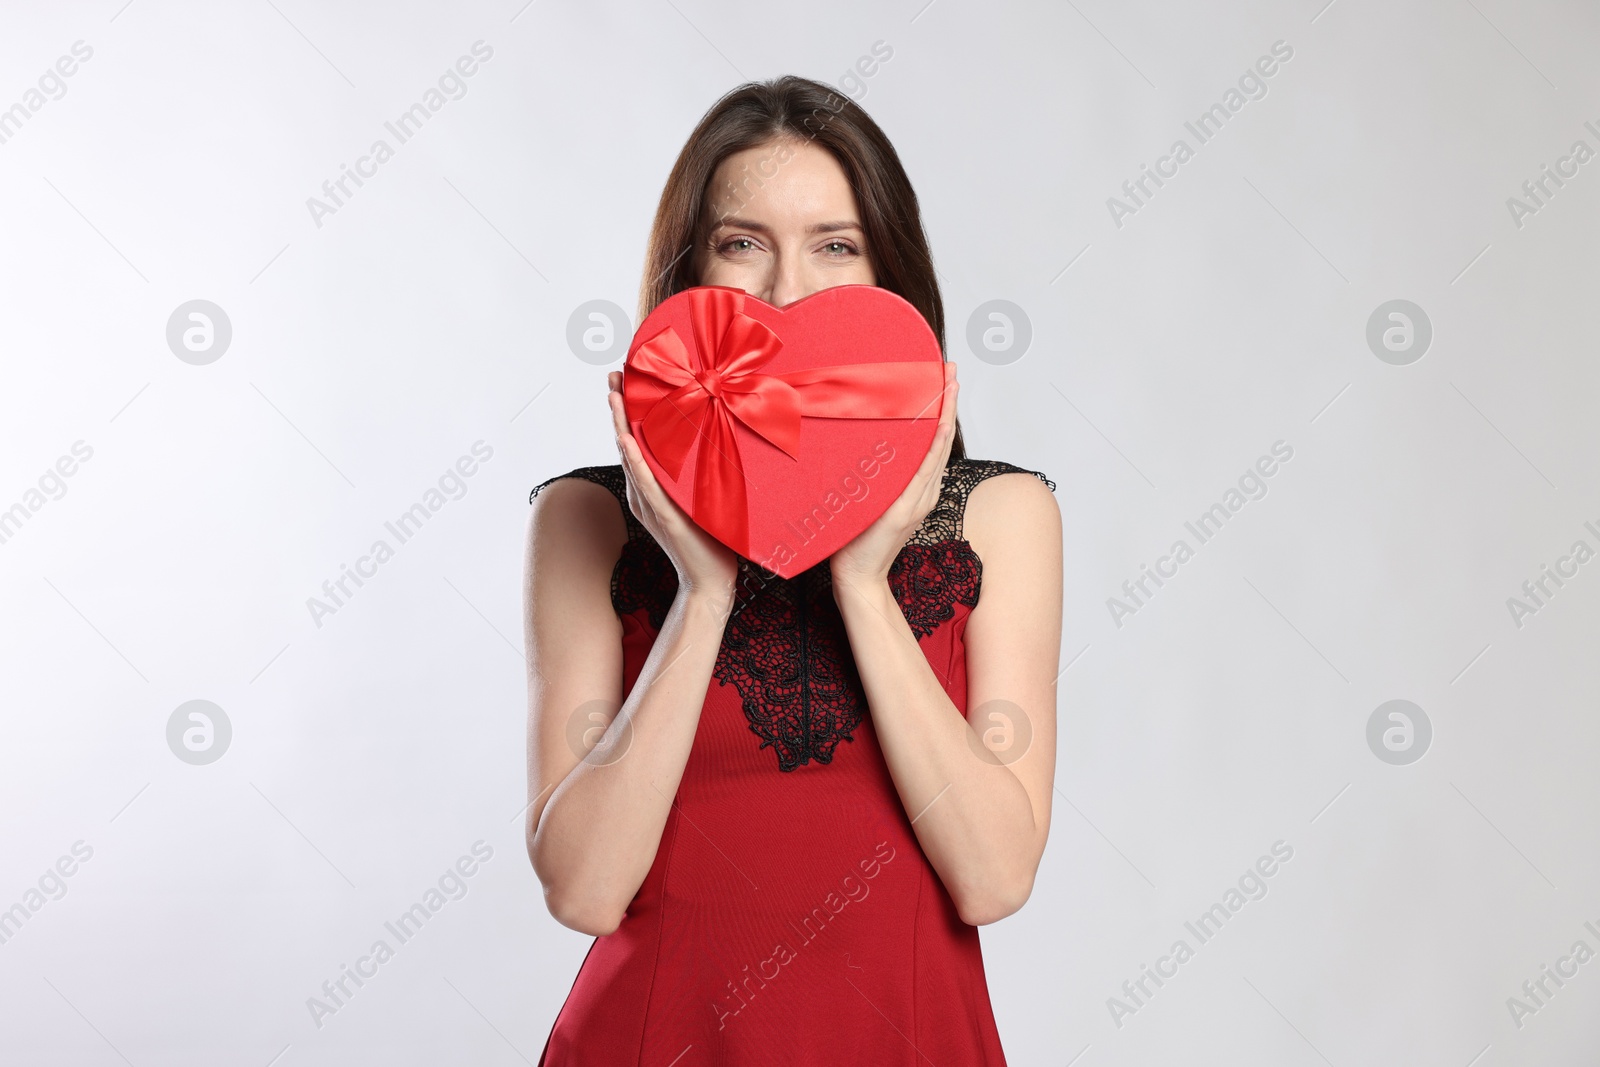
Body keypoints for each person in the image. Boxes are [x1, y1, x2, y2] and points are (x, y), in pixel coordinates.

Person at [523, 74, 1062, 1065]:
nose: (784, 293)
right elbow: (585, 888)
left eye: (835, 245)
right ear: (688, 273)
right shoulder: (586, 519)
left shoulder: (1000, 515)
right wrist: (701, 590)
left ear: (890, 273)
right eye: (742, 243)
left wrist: (864, 583)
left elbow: (993, 876)